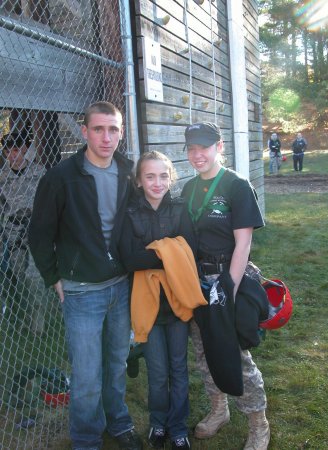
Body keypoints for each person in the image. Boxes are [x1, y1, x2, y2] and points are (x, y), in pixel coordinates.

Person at [28, 101, 142, 450]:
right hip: (81, 292)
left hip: (120, 286)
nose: (106, 138)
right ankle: (87, 438)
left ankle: (118, 422)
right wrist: (54, 277)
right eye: (98, 129)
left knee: (116, 363)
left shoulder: (127, 171)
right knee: (88, 375)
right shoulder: (61, 177)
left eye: (113, 130)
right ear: (84, 132)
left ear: (121, 132)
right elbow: (39, 234)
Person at [181, 122, 270, 450]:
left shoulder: (236, 185)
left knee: (236, 355)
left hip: (226, 279)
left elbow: (243, 244)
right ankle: (219, 410)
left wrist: (228, 290)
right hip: (196, 283)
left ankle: (258, 423)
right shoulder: (189, 189)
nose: (197, 154)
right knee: (204, 352)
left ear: (219, 147)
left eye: (204, 147)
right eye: (191, 148)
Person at [119, 151, 206, 450]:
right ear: (139, 181)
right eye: (150, 176)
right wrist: (170, 251)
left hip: (177, 304)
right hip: (149, 307)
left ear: (171, 177)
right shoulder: (130, 213)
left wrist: (155, 252)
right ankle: (158, 423)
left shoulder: (180, 209)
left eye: (163, 176)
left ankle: (178, 426)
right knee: (157, 372)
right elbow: (130, 258)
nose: (158, 182)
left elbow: (190, 251)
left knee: (179, 369)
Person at [0, 132, 49, 335]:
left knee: (35, 278)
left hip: (37, 231)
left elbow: (50, 203)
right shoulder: (2, 178)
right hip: (13, 234)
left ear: (26, 150)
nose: (13, 155)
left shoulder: (40, 173)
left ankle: (38, 326)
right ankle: (21, 319)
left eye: (18, 149)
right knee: (16, 277)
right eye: (8, 150)